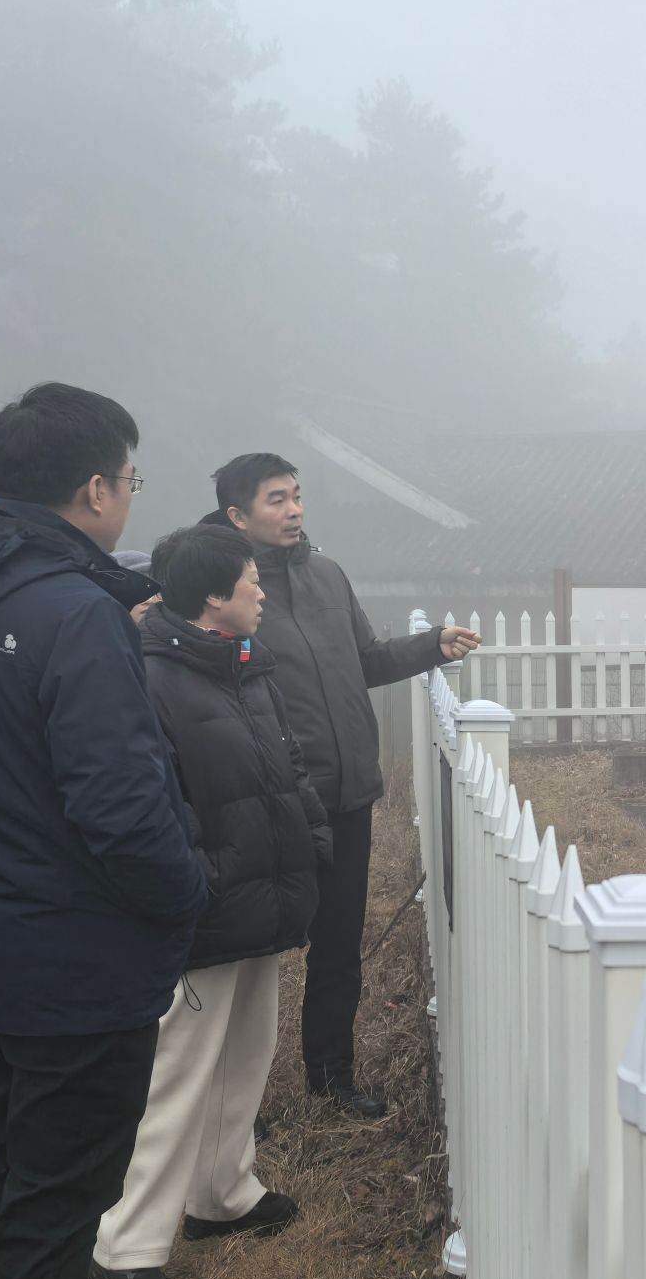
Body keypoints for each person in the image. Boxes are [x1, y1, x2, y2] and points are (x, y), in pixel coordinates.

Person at [0, 383, 207, 1279]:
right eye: (130, 479)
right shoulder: (76, 613)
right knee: (57, 1204)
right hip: (79, 962)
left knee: (25, 1193)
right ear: (94, 488)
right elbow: (120, 807)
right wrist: (187, 897)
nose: (129, 496)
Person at [89, 525, 332, 1279]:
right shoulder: (150, 676)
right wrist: (199, 881)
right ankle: (123, 1247)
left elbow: (289, 766)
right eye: (251, 579)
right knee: (178, 1073)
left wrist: (312, 839)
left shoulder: (245, 665)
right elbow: (151, 801)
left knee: (245, 1051)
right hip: (206, 905)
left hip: (264, 895)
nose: (263, 590)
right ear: (212, 597)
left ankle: (222, 1193)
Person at [203, 453, 478, 1117]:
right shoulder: (218, 588)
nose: (294, 509)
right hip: (271, 801)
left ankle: (333, 1079)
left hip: (347, 794)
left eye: (296, 496)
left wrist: (430, 645)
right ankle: (229, 1106)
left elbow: (366, 660)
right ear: (237, 515)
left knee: (338, 946)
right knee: (246, 952)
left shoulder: (327, 574)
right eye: (276, 499)